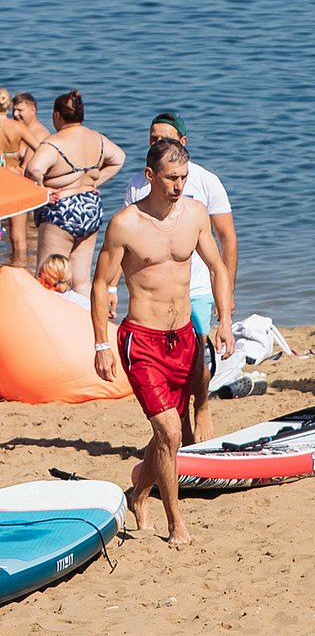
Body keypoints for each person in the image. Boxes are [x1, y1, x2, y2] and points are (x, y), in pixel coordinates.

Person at [90, 137, 234, 547]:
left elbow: (217, 267)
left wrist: (225, 321)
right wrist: (101, 346)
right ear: (150, 175)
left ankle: (138, 496)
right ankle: (176, 522)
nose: (179, 185)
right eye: (171, 178)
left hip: (184, 338)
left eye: (184, 177)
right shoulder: (126, 225)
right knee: (171, 431)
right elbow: (100, 285)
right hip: (142, 341)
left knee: (167, 435)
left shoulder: (195, 214)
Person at [120, 112, 237, 442]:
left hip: (196, 285)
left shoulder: (205, 181)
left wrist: (227, 298)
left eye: (165, 138)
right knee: (174, 370)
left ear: (183, 143)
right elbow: (128, 242)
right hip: (157, 295)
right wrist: (115, 288)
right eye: (152, 138)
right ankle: (179, 431)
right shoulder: (138, 185)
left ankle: (202, 407)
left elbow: (226, 239)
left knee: (198, 356)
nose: (157, 143)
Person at [23, 90, 124, 294]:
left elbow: (33, 169)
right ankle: (85, 314)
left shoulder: (54, 142)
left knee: (48, 277)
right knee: (81, 281)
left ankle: (48, 315)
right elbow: (119, 158)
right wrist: (95, 182)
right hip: (90, 207)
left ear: (57, 115)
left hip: (62, 208)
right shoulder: (97, 138)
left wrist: (43, 190)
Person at [0, 88, 45, 269]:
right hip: (14, 180)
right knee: (19, 237)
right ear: (8, 106)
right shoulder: (17, 127)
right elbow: (40, 148)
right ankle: (19, 271)